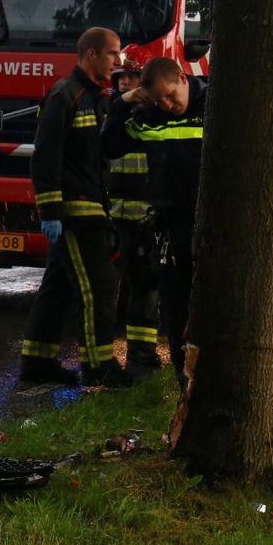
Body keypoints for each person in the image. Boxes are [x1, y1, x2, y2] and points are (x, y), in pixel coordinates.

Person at [20, 26, 133, 388]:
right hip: (74, 213)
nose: (119, 60)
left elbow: (103, 153)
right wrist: (51, 211)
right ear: (91, 54)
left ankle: (37, 362)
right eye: (113, 53)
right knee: (98, 286)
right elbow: (45, 156)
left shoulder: (97, 98)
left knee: (59, 286)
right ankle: (99, 366)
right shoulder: (64, 96)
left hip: (93, 207)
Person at [103, 57, 207, 390]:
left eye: (170, 96)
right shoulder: (150, 116)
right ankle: (183, 377)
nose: (167, 105)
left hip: (209, 224)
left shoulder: (213, 105)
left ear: (183, 78)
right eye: (159, 100)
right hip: (169, 225)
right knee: (174, 304)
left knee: (208, 302)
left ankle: (210, 374)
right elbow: (110, 145)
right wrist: (123, 103)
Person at [106, 48, 162, 379]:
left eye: (132, 76)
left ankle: (142, 354)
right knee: (105, 290)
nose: (125, 82)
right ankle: (100, 358)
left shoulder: (156, 116)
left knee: (146, 286)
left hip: (146, 220)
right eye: (121, 77)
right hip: (112, 219)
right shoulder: (109, 114)